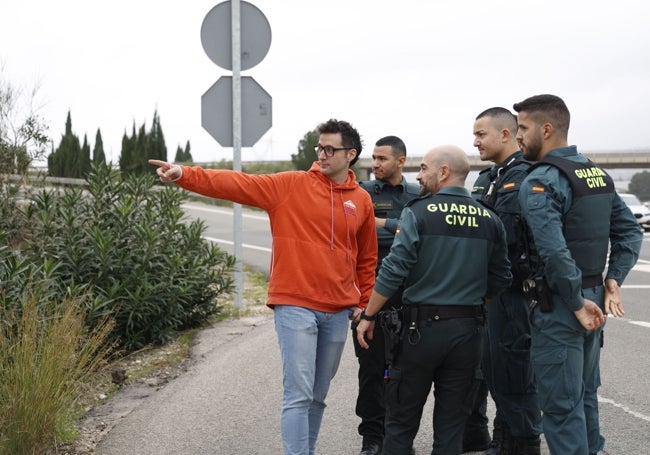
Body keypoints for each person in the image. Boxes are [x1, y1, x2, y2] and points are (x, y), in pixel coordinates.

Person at [149, 118, 378, 455]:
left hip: (337, 311)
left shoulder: (361, 200)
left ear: (351, 155)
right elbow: (237, 184)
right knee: (298, 394)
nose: (322, 154)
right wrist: (185, 175)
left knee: (317, 396)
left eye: (331, 149)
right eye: (320, 148)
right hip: (295, 305)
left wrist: (364, 302)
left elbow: (366, 259)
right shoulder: (290, 185)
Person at [356, 144, 513, 455]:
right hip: (468, 333)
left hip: (419, 334)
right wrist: (478, 302)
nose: (420, 174)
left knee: (400, 422)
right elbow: (502, 276)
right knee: (451, 427)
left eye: (425, 168)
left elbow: (393, 270)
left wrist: (369, 315)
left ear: (444, 172)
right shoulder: (489, 219)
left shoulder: (419, 213)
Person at [512, 94, 643, 455]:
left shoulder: (542, 181)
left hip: (562, 307)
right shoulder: (595, 173)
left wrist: (574, 302)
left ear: (547, 129)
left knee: (559, 407)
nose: (517, 135)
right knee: (584, 397)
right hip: (592, 297)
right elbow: (630, 233)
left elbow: (554, 250)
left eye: (522, 127)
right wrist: (613, 278)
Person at [465, 107, 543, 454]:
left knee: (516, 373)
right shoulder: (496, 177)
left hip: (517, 294)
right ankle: (507, 439)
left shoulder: (526, 176)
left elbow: (513, 239)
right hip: (497, 295)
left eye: (481, 134)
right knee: (497, 370)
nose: (475, 140)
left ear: (505, 134)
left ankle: (524, 444)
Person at [352, 135, 419, 455]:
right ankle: (372, 437)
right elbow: (357, 229)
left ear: (401, 161)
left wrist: (384, 224)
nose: (374, 164)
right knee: (372, 368)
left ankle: (398, 437)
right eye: (373, 158)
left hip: (411, 295)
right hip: (370, 292)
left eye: (381, 159)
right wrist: (399, 227)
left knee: (407, 370)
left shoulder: (419, 194)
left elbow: (421, 234)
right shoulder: (363, 192)